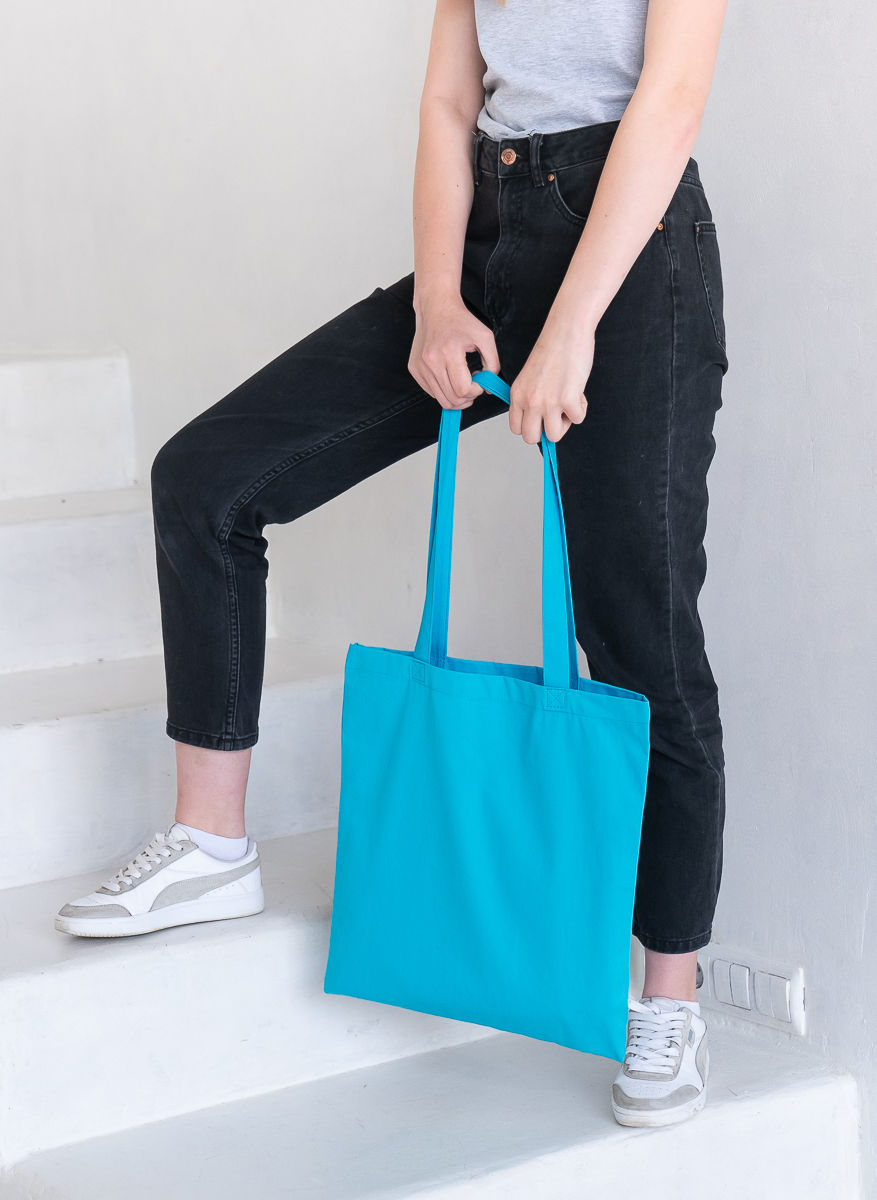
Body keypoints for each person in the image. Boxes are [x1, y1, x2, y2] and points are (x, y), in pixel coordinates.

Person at [56, 0, 729, 1128]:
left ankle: (668, 996)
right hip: (490, 228)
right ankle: (211, 841)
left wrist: (570, 327)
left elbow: (669, 97)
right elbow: (449, 99)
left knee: (641, 639)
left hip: (632, 250)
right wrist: (434, 297)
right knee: (208, 480)